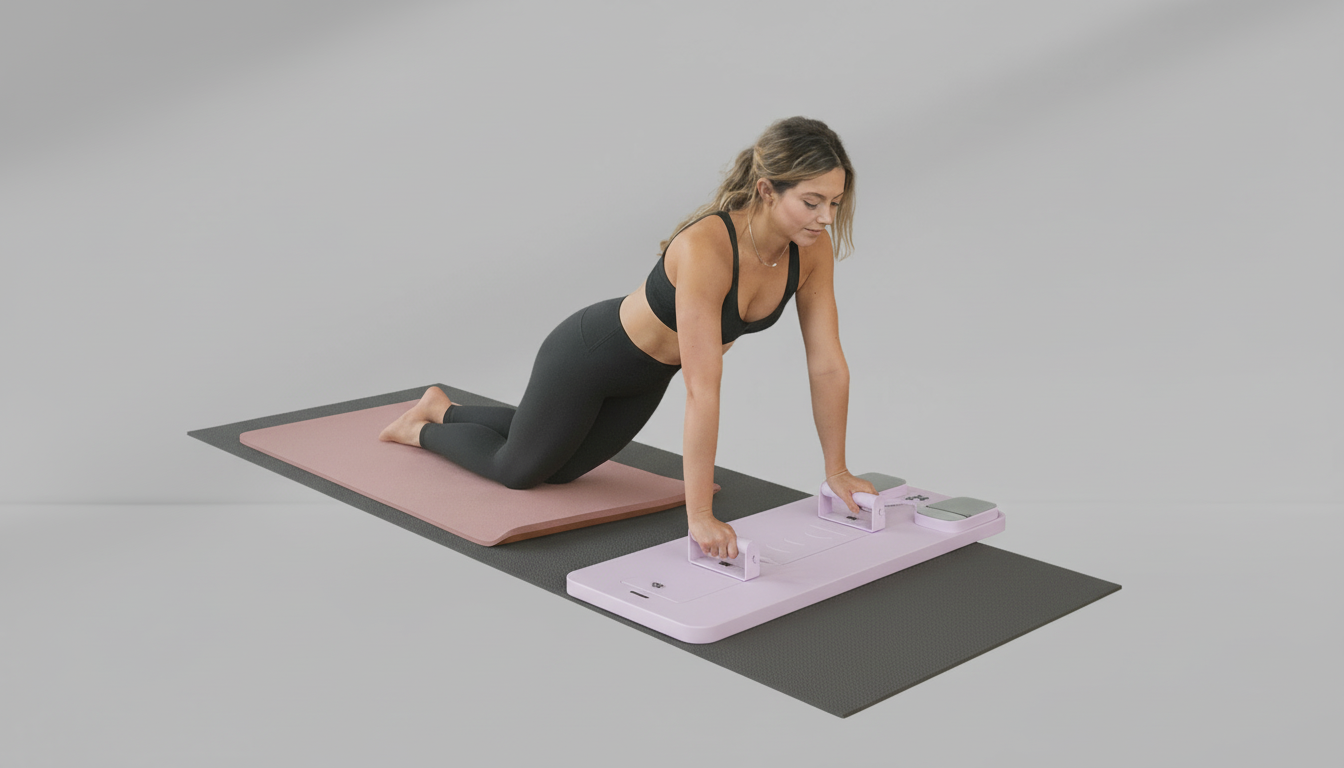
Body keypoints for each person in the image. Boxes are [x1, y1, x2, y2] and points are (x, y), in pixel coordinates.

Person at [378, 116, 877, 560]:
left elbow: (827, 364)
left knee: (563, 471)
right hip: (587, 356)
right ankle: (420, 427)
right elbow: (703, 388)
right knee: (518, 470)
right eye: (812, 202)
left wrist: (837, 469)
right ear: (768, 191)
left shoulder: (809, 252)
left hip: (646, 377)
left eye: (834, 202)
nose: (827, 218)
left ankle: (441, 405)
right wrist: (699, 514)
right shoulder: (707, 247)